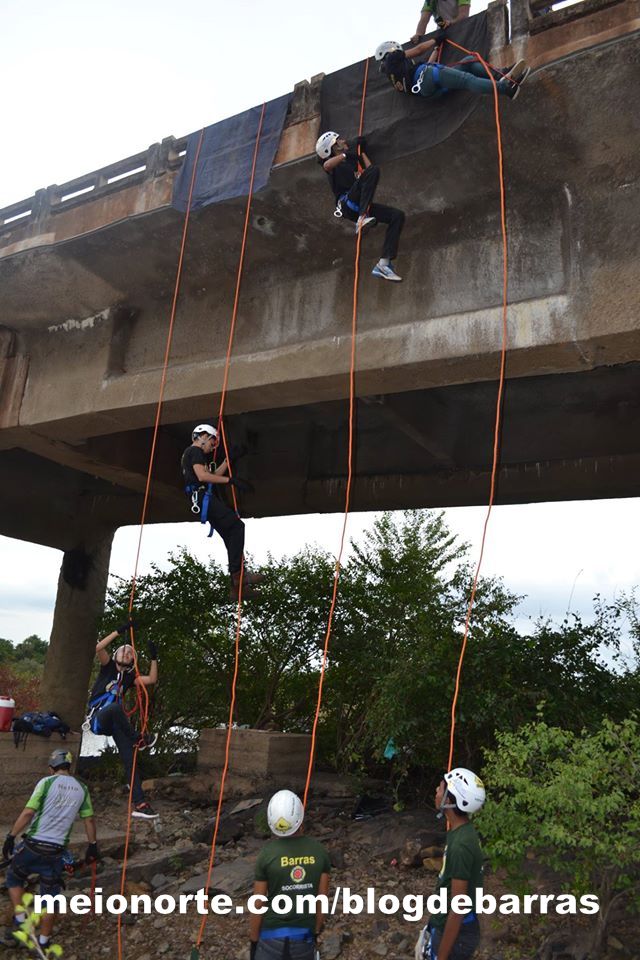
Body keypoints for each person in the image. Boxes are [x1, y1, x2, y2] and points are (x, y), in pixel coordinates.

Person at [2, 749, 98, 951]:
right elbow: (88, 819)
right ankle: (43, 943)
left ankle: (20, 921)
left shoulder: (46, 783)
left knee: (14, 878)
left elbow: (29, 812)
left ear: (51, 767)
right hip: (56, 853)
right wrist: (93, 845)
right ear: (69, 766)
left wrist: (11, 836)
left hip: (33, 846)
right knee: (50, 899)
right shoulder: (82, 788)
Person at [85, 621, 159, 819]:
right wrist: (119, 631)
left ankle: (140, 803)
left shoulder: (129, 678)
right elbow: (98, 648)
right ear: (116, 655)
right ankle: (138, 738)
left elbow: (151, 680)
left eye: (130, 654)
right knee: (116, 707)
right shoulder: (107, 667)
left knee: (131, 760)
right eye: (123, 652)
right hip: (98, 718)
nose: (126, 654)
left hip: (115, 722)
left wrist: (153, 657)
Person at [180, 423, 263, 597]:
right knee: (236, 526)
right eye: (212, 441)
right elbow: (203, 476)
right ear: (202, 436)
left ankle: (236, 585)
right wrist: (231, 481)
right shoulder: (195, 451)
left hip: (201, 498)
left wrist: (228, 460)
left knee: (229, 534)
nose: (212, 447)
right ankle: (238, 577)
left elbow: (213, 475)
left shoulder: (194, 454)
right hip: (202, 497)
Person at [249, 790, 330, 959]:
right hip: (303, 939)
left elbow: (258, 905)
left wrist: (254, 941)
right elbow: (321, 901)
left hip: (270, 939)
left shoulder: (267, 854)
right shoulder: (319, 852)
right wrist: (315, 932)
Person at [415, 768, 486, 960]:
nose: (436, 792)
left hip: (457, 931)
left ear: (448, 800)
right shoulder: (462, 833)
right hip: (450, 925)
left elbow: (458, 908)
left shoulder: (461, 845)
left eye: (440, 789)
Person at [316, 132, 405, 282]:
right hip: (347, 204)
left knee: (397, 215)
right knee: (372, 172)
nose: (343, 140)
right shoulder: (334, 166)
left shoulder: (350, 163)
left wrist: (360, 152)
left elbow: (370, 170)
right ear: (333, 146)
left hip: (358, 204)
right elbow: (326, 165)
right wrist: (346, 155)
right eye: (339, 140)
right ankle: (363, 218)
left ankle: (383, 264)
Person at [375, 40, 530, 102]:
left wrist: (436, 49)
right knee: (466, 79)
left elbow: (428, 65)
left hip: (427, 86)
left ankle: (502, 74)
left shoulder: (392, 74)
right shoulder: (392, 59)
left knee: (468, 62)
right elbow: (418, 50)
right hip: (427, 76)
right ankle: (505, 88)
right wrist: (436, 39)